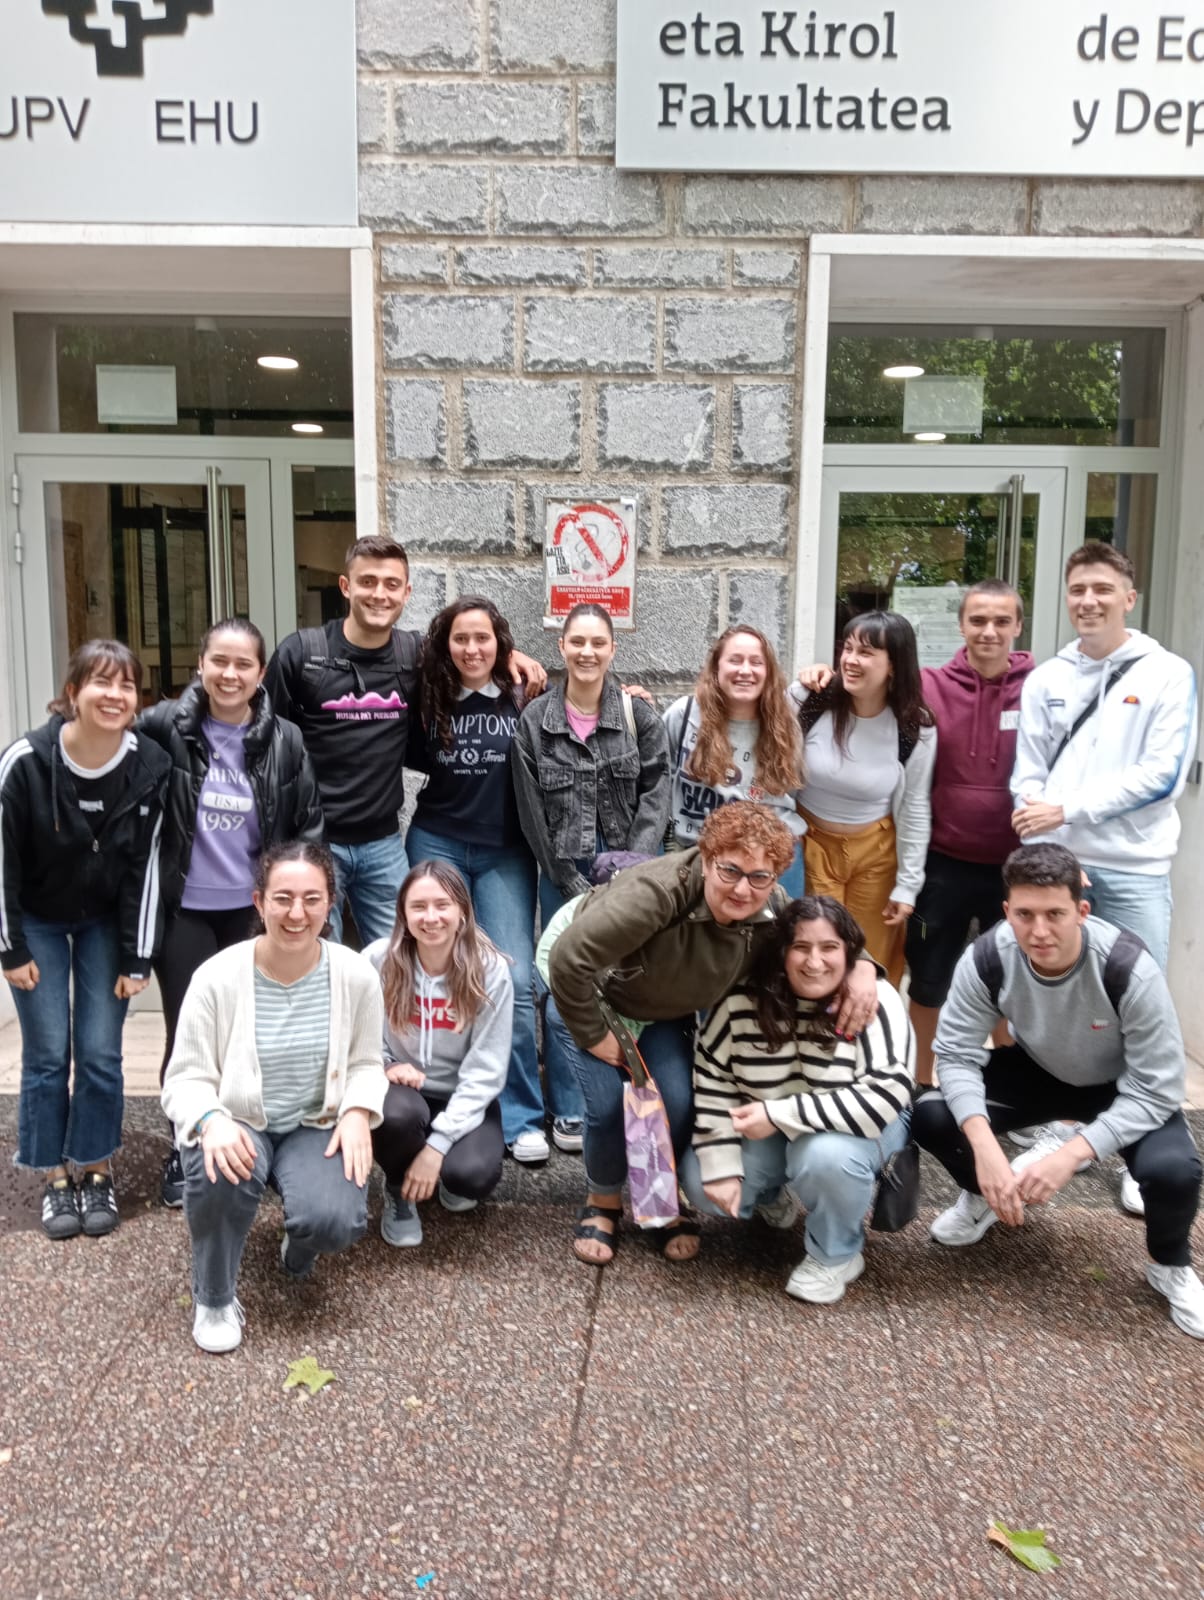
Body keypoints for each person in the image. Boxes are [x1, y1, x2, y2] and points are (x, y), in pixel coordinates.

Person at [543, 802, 882, 1268]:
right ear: (706, 859)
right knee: (606, 1106)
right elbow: (567, 959)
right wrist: (593, 1032)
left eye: (759, 876)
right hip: (591, 992)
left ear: (776, 877)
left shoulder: (772, 906)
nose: (743, 888)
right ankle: (603, 1201)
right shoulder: (656, 892)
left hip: (660, 1003)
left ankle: (663, 1202)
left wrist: (863, 966)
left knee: (678, 1101)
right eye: (730, 870)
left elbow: (823, 938)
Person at [913, 843, 1204, 1343]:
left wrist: (1072, 1154)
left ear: (1082, 911)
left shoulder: (1128, 966)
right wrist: (987, 1152)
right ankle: (985, 1196)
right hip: (1038, 1069)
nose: (1039, 931)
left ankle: (1170, 1265)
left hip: (1120, 1087)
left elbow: (1158, 1087)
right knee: (932, 1115)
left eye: (1055, 914)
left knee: (1174, 1170)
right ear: (1007, 911)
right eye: (1025, 915)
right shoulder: (988, 957)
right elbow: (956, 1054)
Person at [161, 841, 387, 1354]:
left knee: (335, 1220)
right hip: (239, 1120)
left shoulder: (355, 975)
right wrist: (211, 1119)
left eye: (312, 899)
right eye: (283, 898)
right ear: (259, 902)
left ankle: (301, 1244)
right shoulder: (216, 977)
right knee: (217, 1168)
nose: (296, 913)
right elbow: (185, 1078)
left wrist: (356, 1111)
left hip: (314, 1123)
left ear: (331, 904)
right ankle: (214, 1297)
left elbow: (366, 1063)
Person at [265, 537, 545, 946]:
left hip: (383, 844)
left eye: (392, 584)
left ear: (407, 592)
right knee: (318, 958)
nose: (380, 594)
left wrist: (508, 654)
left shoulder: (413, 654)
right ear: (346, 586)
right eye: (368, 581)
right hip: (314, 841)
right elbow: (264, 745)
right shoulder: (302, 655)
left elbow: (466, 648)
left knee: (405, 958)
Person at [139, 617, 324, 1207]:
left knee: (253, 1029)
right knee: (188, 1031)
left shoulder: (284, 739)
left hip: (252, 915)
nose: (229, 673)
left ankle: (248, 1140)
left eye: (243, 664)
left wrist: (300, 905)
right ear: (201, 664)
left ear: (260, 673)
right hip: (185, 910)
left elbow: (306, 824)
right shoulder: (164, 725)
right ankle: (186, 1143)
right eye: (219, 660)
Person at [1, 640, 169, 1239]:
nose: (115, 695)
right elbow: (1, 860)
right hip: (37, 920)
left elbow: (147, 868)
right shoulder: (25, 761)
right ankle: (54, 1177)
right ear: (73, 692)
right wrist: (10, 948)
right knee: (48, 1054)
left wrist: (136, 954)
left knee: (100, 1052)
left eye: (126, 685)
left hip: (102, 920)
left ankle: (96, 1168)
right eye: (101, 682)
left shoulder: (149, 765)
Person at [406, 596, 581, 1167]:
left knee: (514, 977)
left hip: (505, 851)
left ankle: (522, 1114)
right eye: (460, 638)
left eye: (483, 638)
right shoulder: (428, 695)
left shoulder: (523, 693)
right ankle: (444, 1095)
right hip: (437, 843)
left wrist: (632, 698)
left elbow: (581, 706)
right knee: (436, 970)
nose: (471, 648)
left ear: (500, 643)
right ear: (445, 644)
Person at [684, 895, 914, 1305]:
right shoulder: (741, 999)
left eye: (829, 947)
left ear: (849, 951)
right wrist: (720, 1164)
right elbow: (713, 1075)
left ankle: (836, 1254)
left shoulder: (873, 998)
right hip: (775, 1125)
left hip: (861, 1128)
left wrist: (778, 1114)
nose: (815, 962)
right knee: (702, 1178)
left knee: (824, 1156)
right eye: (801, 947)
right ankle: (772, 1194)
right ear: (781, 951)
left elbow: (886, 1094)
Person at [1011, 541, 1197, 973]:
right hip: (1057, 868)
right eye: (1077, 590)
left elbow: (1162, 777)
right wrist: (1050, 856)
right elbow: (1027, 776)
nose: (1088, 601)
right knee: (1050, 990)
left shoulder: (1168, 674)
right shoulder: (1045, 679)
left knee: (1135, 990)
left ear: (1129, 599)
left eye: (1102, 589)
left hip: (1135, 873)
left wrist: (1065, 811)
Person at [364, 861, 513, 1249]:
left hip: (461, 1094)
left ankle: (437, 1167)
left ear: (462, 910)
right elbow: (358, 1037)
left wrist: (437, 1148)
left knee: (471, 1177)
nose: (430, 918)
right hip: (402, 1094)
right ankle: (399, 1188)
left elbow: (487, 1068)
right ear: (403, 913)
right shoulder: (378, 960)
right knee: (396, 1115)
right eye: (418, 906)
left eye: (442, 905)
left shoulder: (490, 969)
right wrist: (386, 1066)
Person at [791, 611, 936, 984]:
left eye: (866, 652)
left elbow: (915, 807)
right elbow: (774, 768)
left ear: (894, 664)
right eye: (848, 648)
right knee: (811, 953)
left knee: (869, 962)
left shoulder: (915, 725)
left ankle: (866, 1023)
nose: (851, 660)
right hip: (810, 845)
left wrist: (908, 884)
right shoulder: (810, 699)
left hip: (876, 855)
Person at [512, 601, 671, 921]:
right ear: (562, 646)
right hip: (564, 867)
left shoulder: (637, 715)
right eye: (577, 642)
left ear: (613, 649)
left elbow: (657, 795)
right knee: (565, 952)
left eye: (598, 643)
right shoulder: (535, 721)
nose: (587, 652)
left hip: (633, 861)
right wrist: (567, 880)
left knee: (631, 953)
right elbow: (532, 814)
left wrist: (631, 869)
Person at [662, 626, 806, 897]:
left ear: (768, 671)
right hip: (692, 857)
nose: (745, 670)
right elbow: (658, 784)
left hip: (767, 863)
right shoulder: (684, 715)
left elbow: (794, 792)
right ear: (717, 666)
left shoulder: (786, 727)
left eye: (756, 662)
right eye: (735, 660)